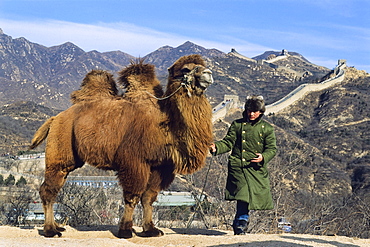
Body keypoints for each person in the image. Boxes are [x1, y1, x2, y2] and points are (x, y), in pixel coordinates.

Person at [210, 95, 277, 235]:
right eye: (249, 110)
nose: (251, 114)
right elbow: (228, 142)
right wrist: (216, 147)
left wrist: (263, 157)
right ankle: (241, 221)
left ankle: (240, 223)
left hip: (256, 169)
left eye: (255, 111)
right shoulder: (237, 125)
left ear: (261, 112)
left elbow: (272, 149)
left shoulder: (267, 128)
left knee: (249, 197)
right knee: (243, 195)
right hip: (238, 167)